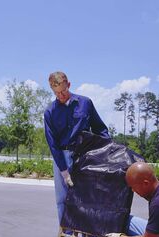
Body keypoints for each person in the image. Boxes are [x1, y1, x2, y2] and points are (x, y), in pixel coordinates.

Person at [44, 71, 110, 224]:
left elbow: (100, 129)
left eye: (63, 91)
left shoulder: (85, 103)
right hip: (62, 158)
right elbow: (52, 143)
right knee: (62, 200)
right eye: (56, 93)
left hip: (84, 156)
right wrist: (64, 170)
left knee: (86, 199)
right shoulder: (50, 112)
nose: (61, 96)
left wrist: (106, 152)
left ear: (69, 84)